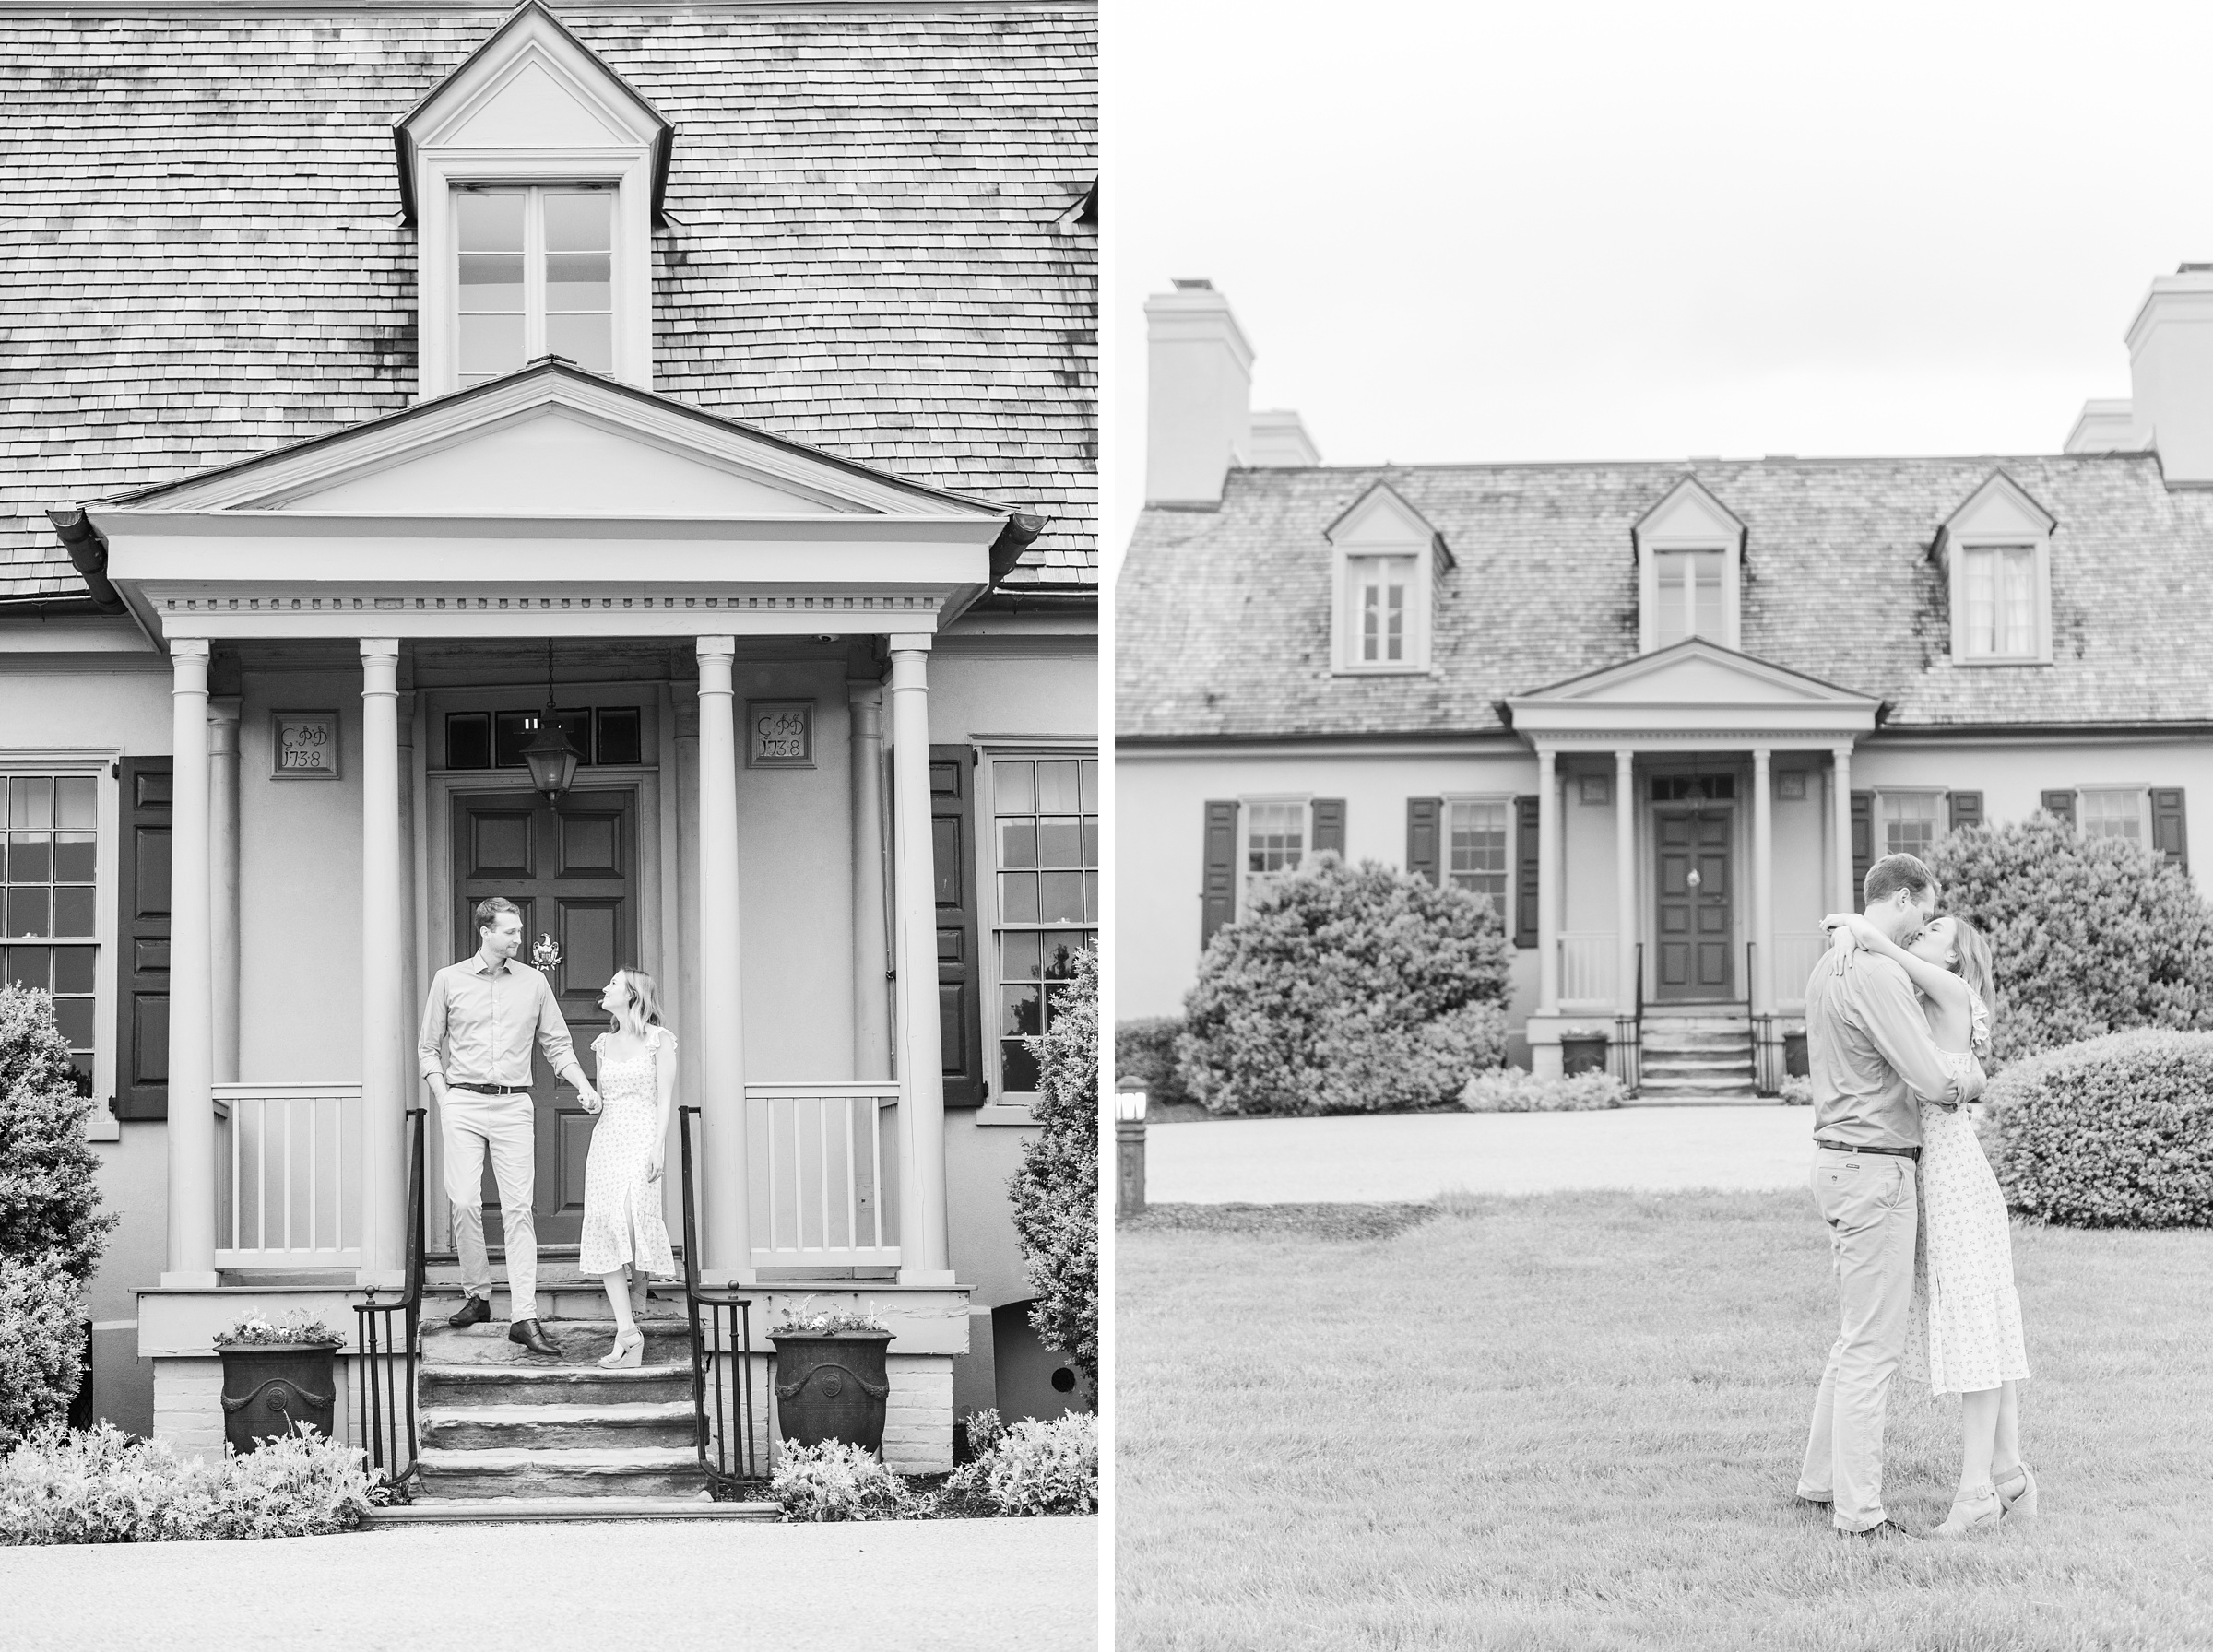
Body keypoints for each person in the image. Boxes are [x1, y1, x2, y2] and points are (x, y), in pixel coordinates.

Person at [1822, 906, 2035, 1536]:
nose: (1922, 937)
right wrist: (1847, 931)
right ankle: (2008, 1474)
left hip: (1953, 1181)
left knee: (1973, 1330)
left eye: (1935, 932)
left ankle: (1976, 1495)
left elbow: (1897, 956)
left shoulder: (1953, 987)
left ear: (1956, 955)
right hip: (1941, 1176)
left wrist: (1861, 931)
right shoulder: (1925, 995)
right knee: (1980, 1326)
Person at [1794, 853, 1983, 1538]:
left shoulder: (1830, 966)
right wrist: (1975, 1084)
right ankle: (1861, 1514)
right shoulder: (1877, 973)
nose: (1923, 924)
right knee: (1874, 1348)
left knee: (1855, 1340)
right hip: (1875, 1168)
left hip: (1839, 1162)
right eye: (1925, 911)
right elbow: (1932, 1081)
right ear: (1902, 899)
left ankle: (1819, 1484)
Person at [416, 895, 599, 1358]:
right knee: (464, 1202)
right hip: (461, 1100)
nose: (520, 938)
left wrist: (583, 1086)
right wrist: (445, 1098)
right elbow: (427, 1048)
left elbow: (557, 1044)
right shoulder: (448, 980)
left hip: (514, 1104)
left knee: (519, 1210)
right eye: (511, 931)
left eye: (519, 931)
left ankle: (523, 1315)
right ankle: (478, 1295)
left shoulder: (534, 982)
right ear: (486, 931)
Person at [577, 967, 679, 1368]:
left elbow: (664, 1099)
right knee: (605, 1225)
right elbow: (604, 1098)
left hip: (642, 1139)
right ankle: (628, 1333)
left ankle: (640, 1289)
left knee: (633, 1221)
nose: (605, 987)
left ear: (633, 995)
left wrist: (659, 1146)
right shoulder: (602, 1044)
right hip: (607, 1141)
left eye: (614, 984)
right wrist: (591, 1102)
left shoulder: (660, 1040)